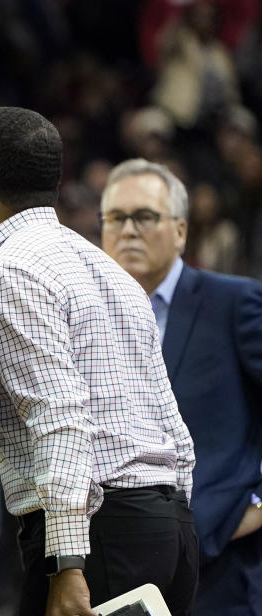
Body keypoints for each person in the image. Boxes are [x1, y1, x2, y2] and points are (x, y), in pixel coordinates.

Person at [0, 107, 198, 616]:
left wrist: (68, 563)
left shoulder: (6, 272)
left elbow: (60, 420)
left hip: (94, 541)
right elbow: (172, 423)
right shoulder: (107, 269)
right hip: (168, 529)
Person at [100, 158, 262, 616]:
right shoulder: (89, 321)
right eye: (115, 218)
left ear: (180, 230)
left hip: (224, 574)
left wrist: (255, 505)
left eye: (145, 216)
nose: (128, 230)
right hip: (121, 575)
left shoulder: (234, 301)